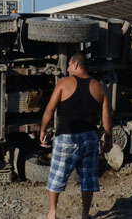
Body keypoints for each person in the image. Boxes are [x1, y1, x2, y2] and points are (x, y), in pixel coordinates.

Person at [39, 53, 113, 219]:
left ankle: (52, 213)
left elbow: (50, 109)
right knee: (88, 178)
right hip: (89, 138)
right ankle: (85, 214)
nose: (67, 69)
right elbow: (107, 117)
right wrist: (108, 139)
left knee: (57, 175)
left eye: (69, 66)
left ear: (76, 65)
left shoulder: (64, 83)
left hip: (67, 137)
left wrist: (43, 129)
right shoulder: (100, 87)